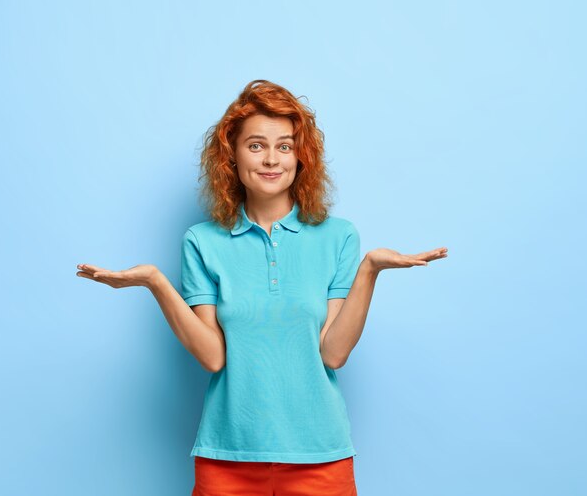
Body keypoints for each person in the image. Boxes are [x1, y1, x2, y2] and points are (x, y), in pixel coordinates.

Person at [76, 79, 448, 495]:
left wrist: (369, 271)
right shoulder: (202, 242)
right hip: (226, 456)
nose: (271, 159)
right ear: (231, 156)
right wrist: (155, 282)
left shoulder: (338, 237)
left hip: (319, 455)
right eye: (256, 145)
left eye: (284, 146)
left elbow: (334, 353)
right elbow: (214, 357)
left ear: (300, 157)